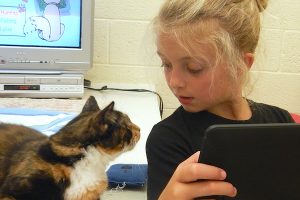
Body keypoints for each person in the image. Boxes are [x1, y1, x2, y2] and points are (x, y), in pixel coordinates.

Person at [146, 0, 295, 199]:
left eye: (193, 68)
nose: (174, 82)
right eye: (166, 64)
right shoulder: (168, 139)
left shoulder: (281, 122)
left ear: (241, 64)